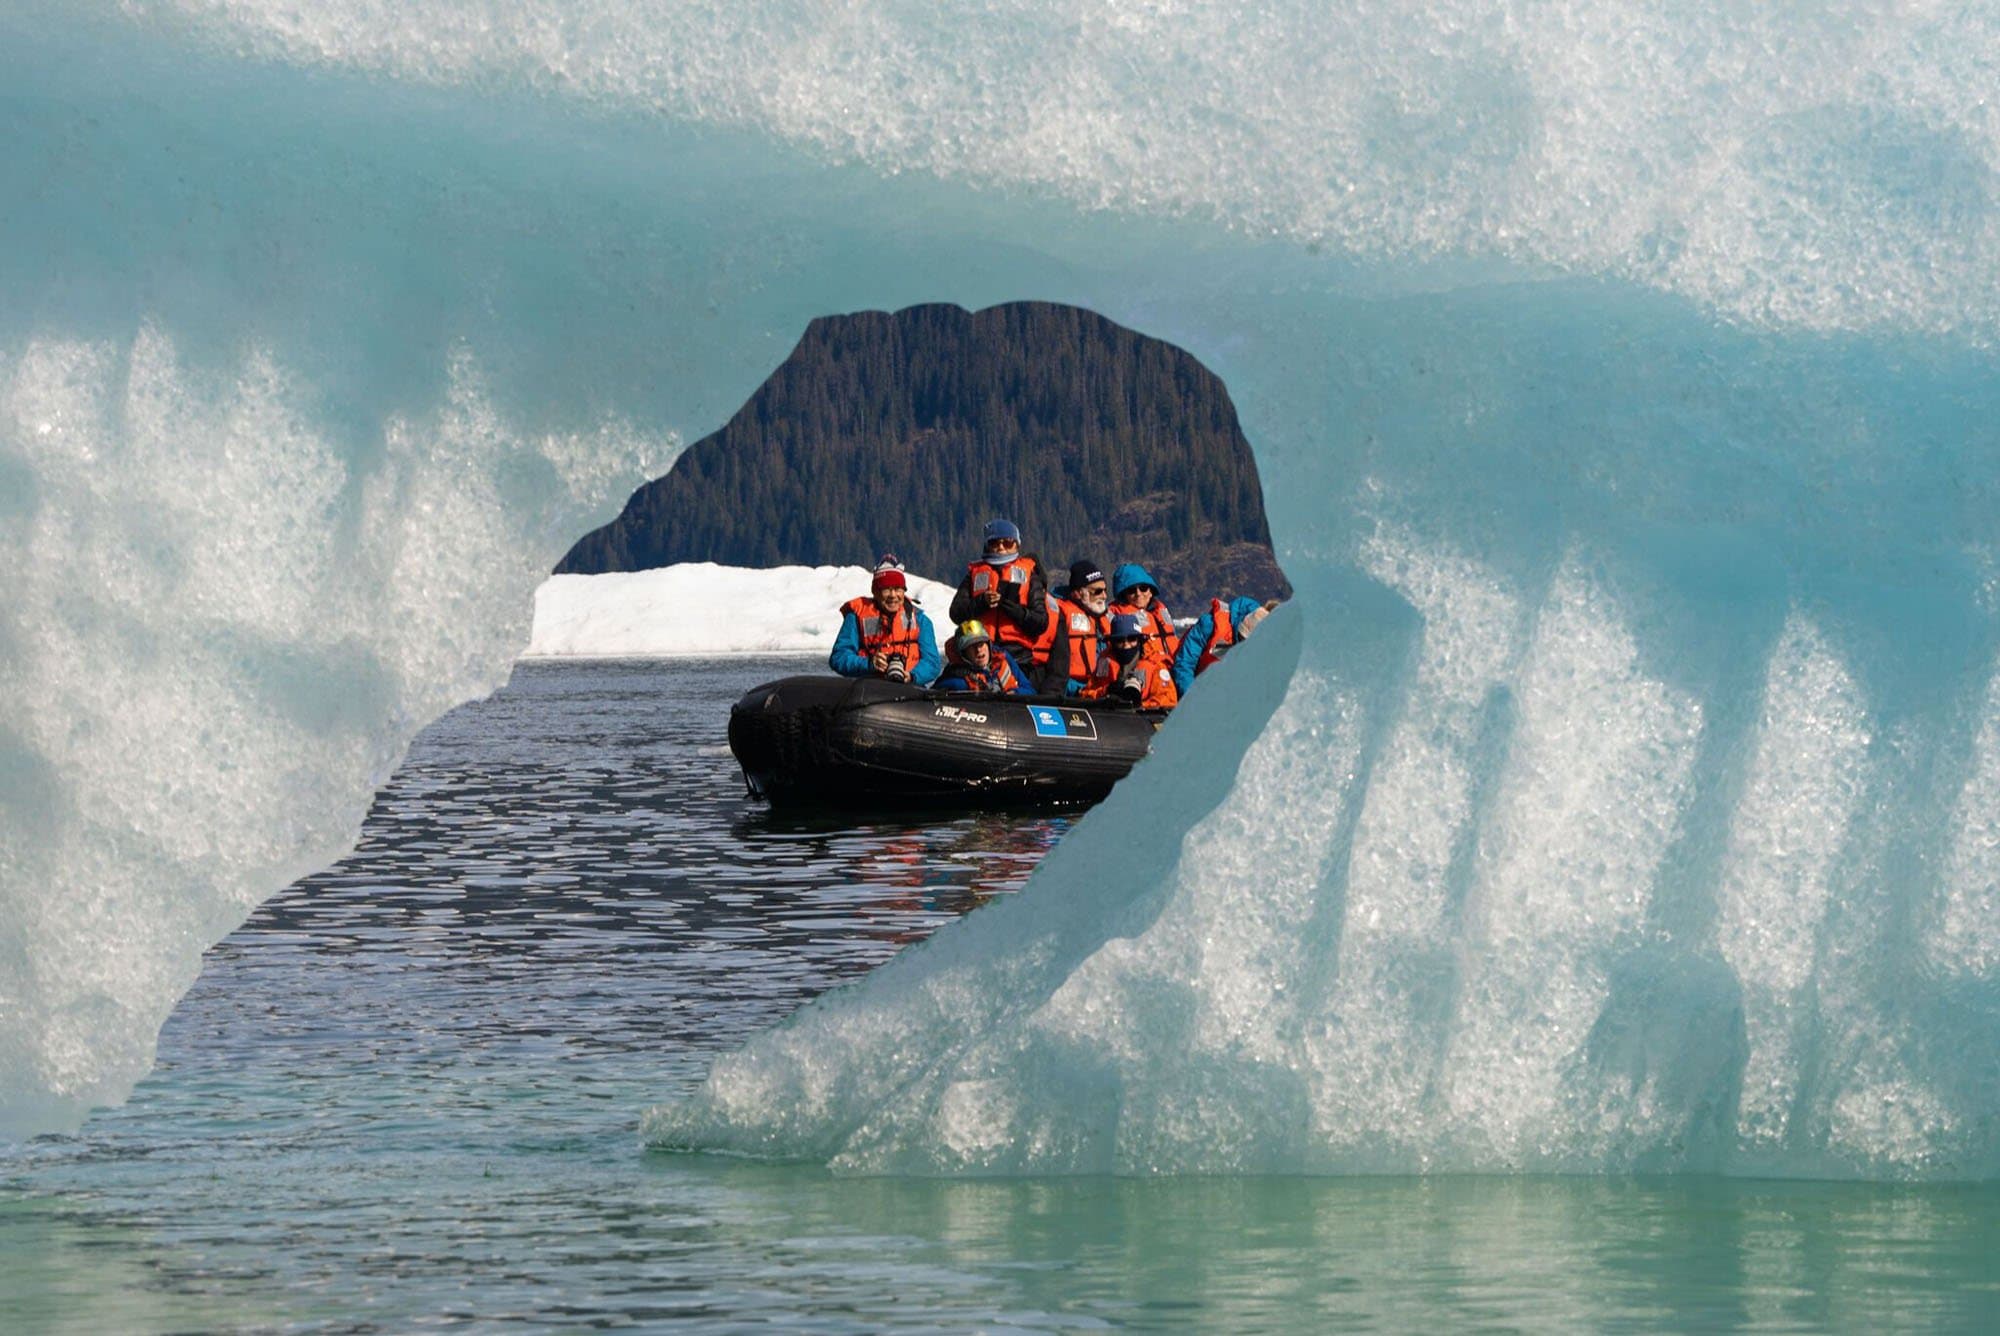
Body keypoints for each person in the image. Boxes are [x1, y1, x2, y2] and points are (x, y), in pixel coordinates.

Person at [949, 519, 1051, 670]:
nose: (1001, 547)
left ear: (1017, 545)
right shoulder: (974, 574)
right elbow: (956, 613)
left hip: (1019, 658)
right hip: (980, 652)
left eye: (1007, 543)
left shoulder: (1029, 575)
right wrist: (982, 602)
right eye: (994, 543)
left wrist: (1011, 608)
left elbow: (1041, 622)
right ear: (987, 545)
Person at [829, 560, 941, 685]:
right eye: (886, 589)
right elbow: (838, 658)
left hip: (911, 689)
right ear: (875, 592)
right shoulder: (856, 618)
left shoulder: (920, 620)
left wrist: (913, 676)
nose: (893, 595)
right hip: (870, 690)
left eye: (898, 589)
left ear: (904, 592)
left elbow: (932, 663)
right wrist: (869, 663)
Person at [1172, 597, 1279, 695]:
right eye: (1243, 638)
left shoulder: (1266, 647)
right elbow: (1185, 663)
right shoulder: (1210, 625)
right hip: (1192, 692)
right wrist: (1192, 699)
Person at [1039, 559, 1111, 696]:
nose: (1104, 596)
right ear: (1078, 593)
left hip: (1097, 689)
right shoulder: (1060, 614)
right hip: (1069, 689)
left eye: (1105, 590)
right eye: (1098, 591)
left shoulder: (1106, 619)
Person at [1080, 612, 1178, 708]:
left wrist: (1138, 706)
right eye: (1120, 640)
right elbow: (1086, 694)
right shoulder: (1104, 662)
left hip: (1142, 718)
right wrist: (1107, 691)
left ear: (1139, 640)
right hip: (1109, 716)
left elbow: (1168, 700)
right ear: (1113, 642)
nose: (1126, 645)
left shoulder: (1155, 665)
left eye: (1131, 639)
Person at [934, 620, 1034, 695]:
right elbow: (937, 693)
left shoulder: (1004, 658)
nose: (978, 650)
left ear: (988, 645)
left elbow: (1029, 690)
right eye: (972, 647)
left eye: (981, 644)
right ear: (964, 654)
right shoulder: (955, 675)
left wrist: (1015, 693)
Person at [1109, 563, 1180, 661]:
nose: (1138, 594)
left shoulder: (1159, 610)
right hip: (1143, 670)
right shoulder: (1115, 615)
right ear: (1123, 594)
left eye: (1143, 588)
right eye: (1131, 590)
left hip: (1172, 667)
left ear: (1151, 592)